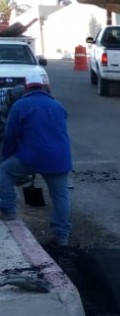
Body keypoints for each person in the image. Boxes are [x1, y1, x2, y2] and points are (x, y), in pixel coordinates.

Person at [0, 83, 73, 246]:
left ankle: (9, 212)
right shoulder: (58, 105)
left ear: (27, 89)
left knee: (4, 172)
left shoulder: (20, 105)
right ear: (45, 89)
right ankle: (62, 237)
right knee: (61, 197)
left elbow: (10, 136)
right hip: (59, 159)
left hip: (31, 157)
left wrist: (6, 157)